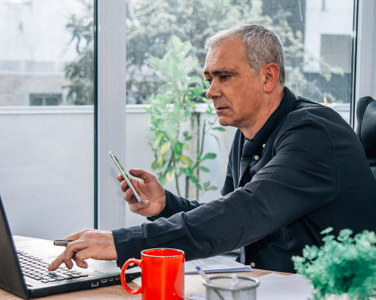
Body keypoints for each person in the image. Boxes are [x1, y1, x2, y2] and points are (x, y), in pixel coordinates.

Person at [48, 24, 376, 273]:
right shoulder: (249, 132)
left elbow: (243, 215)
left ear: (268, 77)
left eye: (224, 76)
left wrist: (121, 243)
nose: (210, 91)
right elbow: (228, 214)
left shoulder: (314, 132)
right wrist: (165, 205)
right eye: (209, 78)